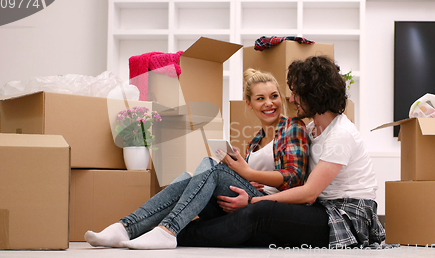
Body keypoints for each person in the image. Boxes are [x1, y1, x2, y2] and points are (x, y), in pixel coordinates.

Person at [84, 68, 309, 249]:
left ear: (281, 97)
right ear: (249, 104)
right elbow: (261, 179)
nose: (269, 103)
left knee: (211, 166)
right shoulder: (254, 141)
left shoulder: (293, 127)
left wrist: (248, 174)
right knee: (188, 177)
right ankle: (125, 228)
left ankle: (167, 231)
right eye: (260, 98)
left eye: (274, 96)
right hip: (245, 202)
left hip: (269, 212)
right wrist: (251, 181)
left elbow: (295, 177)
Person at [176, 56, 386, 249]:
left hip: (346, 216)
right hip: (321, 207)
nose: (292, 99)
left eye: (296, 93)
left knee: (261, 211)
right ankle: (169, 229)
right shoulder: (312, 129)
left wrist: (251, 200)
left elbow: (309, 192)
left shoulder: (341, 134)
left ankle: (181, 236)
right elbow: (298, 174)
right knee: (228, 202)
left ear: (313, 95)